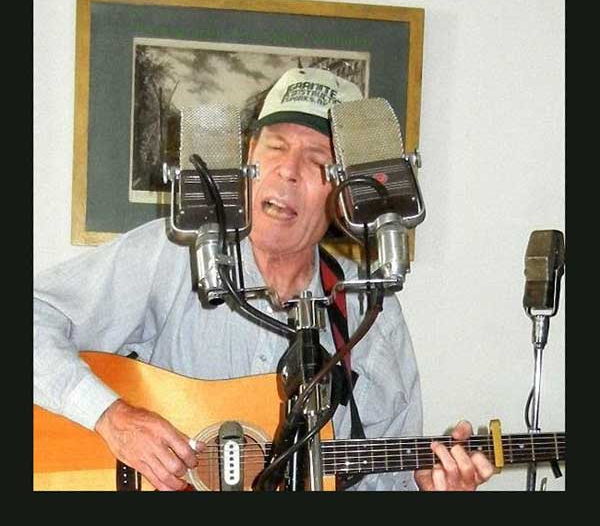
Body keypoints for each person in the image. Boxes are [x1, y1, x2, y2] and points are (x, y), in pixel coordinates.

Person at [34, 67, 495, 492]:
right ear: (248, 159)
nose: (288, 171)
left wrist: (429, 489)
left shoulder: (369, 309)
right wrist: (112, 417)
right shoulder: (172, 256)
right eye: (274, 147)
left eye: (317, 159)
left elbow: (384, 481)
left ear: (343, 193)